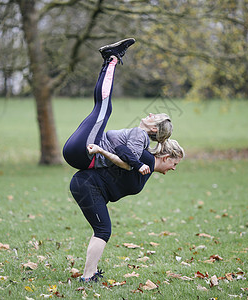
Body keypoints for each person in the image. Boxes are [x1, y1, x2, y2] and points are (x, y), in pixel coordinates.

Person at [70, 138, 185, 282]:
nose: (174, 168)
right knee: (103, 230)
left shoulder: (148, 166)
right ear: (166, 157)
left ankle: (90, 273)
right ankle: (88, 277)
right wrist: (137, 163)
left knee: (100, 230)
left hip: (90, 188)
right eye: (174, 164)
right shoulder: (145, 158)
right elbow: (121, 148)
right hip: (87, 186)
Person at [62, 38, 173, 175]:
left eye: (154, 117)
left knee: (104, 108)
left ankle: (111, 58)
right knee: (102, 107)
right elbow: (129, 159)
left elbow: (127, 165)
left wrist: (102, 151)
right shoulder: (139, 138)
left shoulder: (140, 135)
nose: (151, 114)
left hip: (86, 152)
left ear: (155, 128)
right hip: (80, 153)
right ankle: (109, 59)